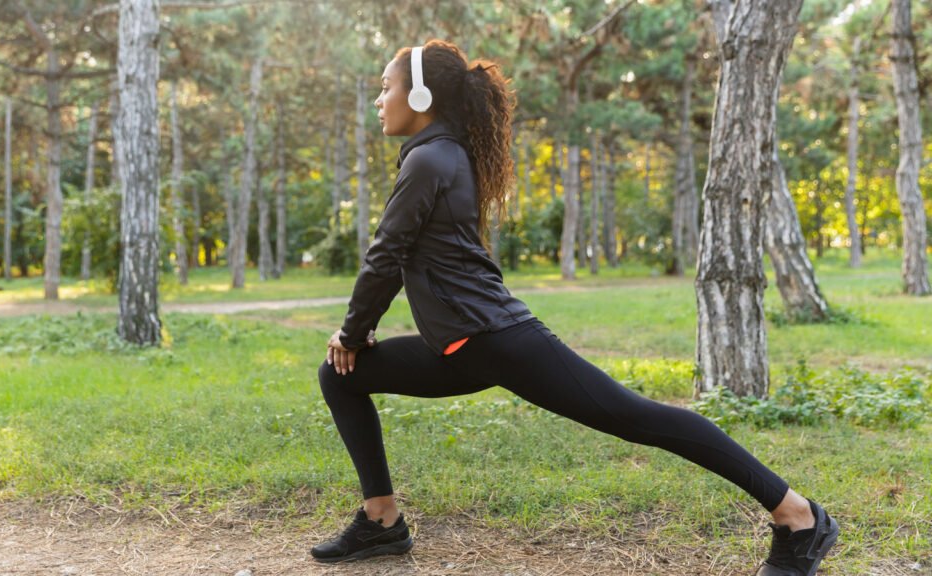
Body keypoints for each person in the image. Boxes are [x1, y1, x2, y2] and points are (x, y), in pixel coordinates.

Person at [310, 39, 839, 575]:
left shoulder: (430, 159)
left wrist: (353, 333)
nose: (379, 100)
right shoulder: (437, 155)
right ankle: (382, 522)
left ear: (419, 94)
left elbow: (385, 255)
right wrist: (354, 339)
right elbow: (399, 257)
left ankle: (799, 517)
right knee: (339, 377)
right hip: (460, 346)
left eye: (386, 88)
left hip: (496, 341)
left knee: (639, 418)